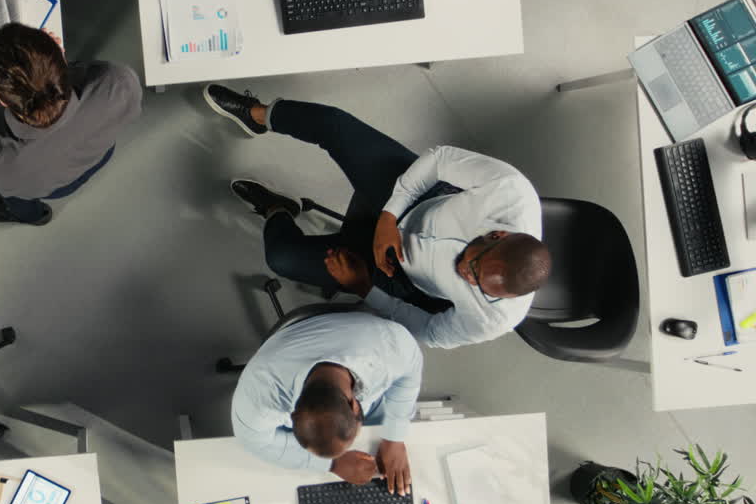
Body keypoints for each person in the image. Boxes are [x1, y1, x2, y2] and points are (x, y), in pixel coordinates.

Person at [203, 85, 552, 350]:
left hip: (395, 273)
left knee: (281, 258)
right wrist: (389, 215)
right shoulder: (511, 192)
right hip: (415, 200)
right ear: (497, 236)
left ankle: (278, 209)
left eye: (475, 284)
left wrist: (365, 288)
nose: (465, 274)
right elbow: (441, 159)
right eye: (473, 265)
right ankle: (258, 115)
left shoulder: (493, 319)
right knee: (333, 125)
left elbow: (429, 332)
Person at [0, 23, 142, 226]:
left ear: (1, 99)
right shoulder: (117, 81)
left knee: (16, 197)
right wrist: (55, 65)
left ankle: (33, 216)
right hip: (97, 155)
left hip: (46, 186)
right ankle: (36, 216)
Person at [231, 311, 423, 495]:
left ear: (356, 406)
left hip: (368, 340)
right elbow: (251, 440)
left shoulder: (392, 348)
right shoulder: (258, 391)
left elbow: (411, 370)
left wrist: (394, 438)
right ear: (292, 413)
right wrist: (333, 464)